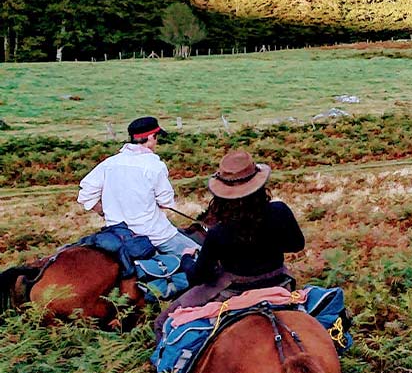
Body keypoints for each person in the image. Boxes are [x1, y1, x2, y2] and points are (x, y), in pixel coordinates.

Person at [163, 150, 305, 319]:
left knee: (163, 321)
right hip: (279, 281)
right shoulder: (280, 210)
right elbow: (297, 245)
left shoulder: (218, 231)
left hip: (234, 290)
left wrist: (187, 260)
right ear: (259, 185)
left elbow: (200, 277)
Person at [76, 116, 198, 259]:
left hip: (118, 234)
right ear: (151, 137)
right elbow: (166, 203)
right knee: (200, 256)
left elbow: (85, 196)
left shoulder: (109, 164)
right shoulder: (155, 166)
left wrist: (103, 212)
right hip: (156, 235)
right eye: (157, 137)